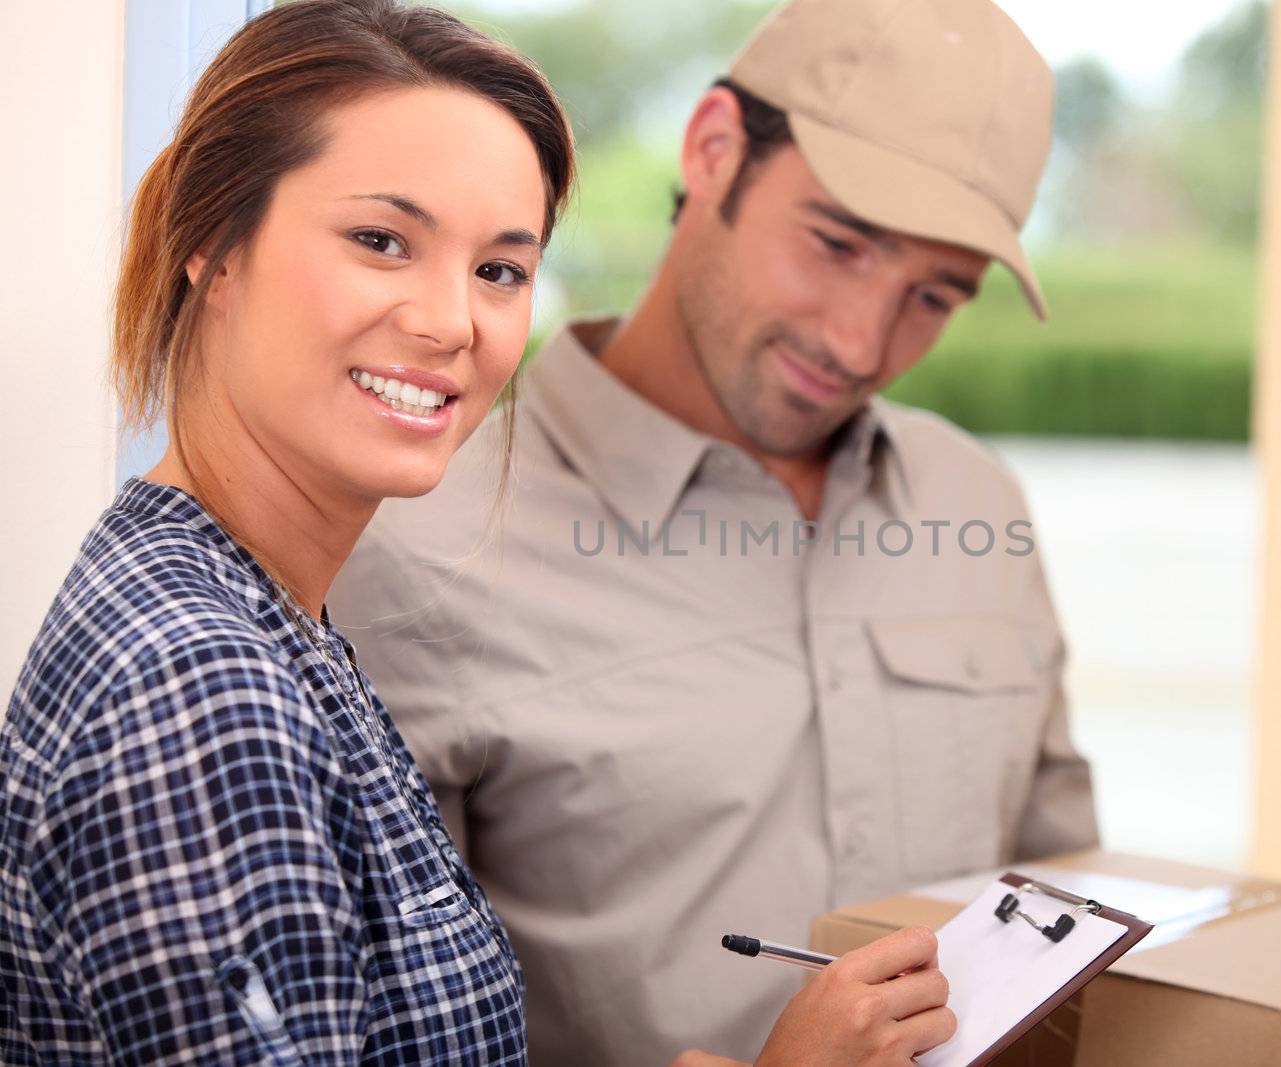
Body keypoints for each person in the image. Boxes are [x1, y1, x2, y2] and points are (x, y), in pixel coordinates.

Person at [329, 0, 1281, 1064]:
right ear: (714, 147)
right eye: (837, 243)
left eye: (934, 293)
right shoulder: (416, 533)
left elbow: (1070, 912)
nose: (863, 343)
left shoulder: (973, 500)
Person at [0, 3, 954, 1065]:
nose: (452, 321)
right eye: (380, 241)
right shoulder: (200, 689)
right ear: (211, 248)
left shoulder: (259, 612)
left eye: (500, 269)